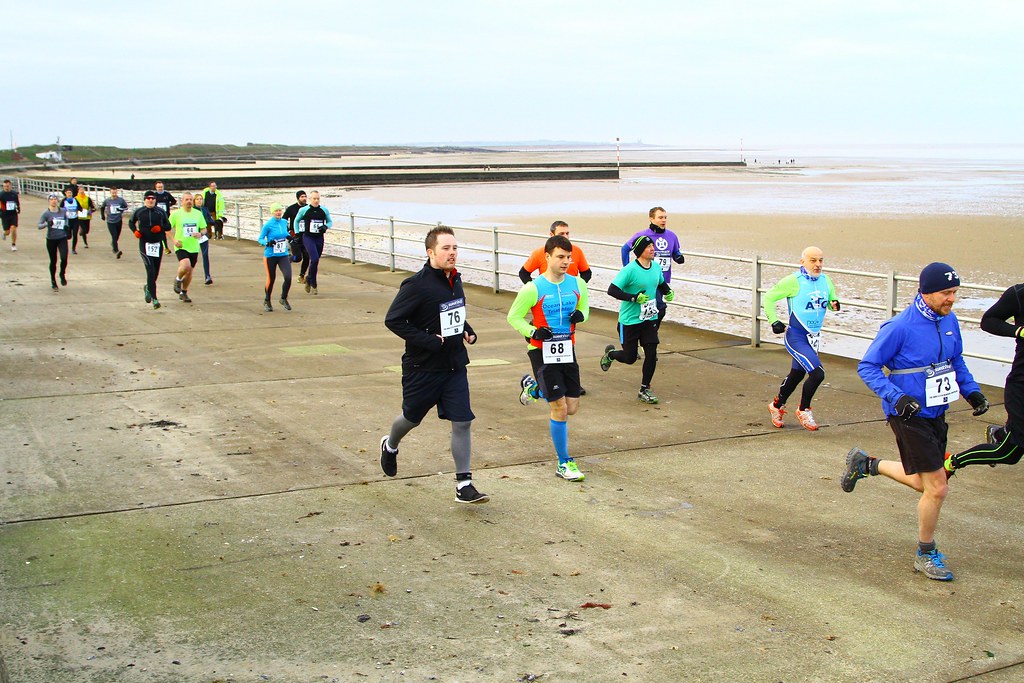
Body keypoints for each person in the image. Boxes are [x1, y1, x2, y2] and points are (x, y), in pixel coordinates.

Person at [842, 262, 989, 581]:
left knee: (928, 484)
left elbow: (956, 360)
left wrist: (972, 391)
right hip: (907, 415)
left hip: (937, 412)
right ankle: (925, 553)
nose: (952, 300)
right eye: (946, 293)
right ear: (926, 291)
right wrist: (897, 397)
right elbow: (867, 367)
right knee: (938, 488)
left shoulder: (949, 321)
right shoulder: (899, 327)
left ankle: (867, 464)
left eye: (955, 293)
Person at [381, 226, 488, 504]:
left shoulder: (456, 280)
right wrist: (428, 340)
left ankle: (464, 484)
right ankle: (390, 445)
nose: (452, 253)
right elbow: (393, 320)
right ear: (430, 252)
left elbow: (452, 312)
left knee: (462, 421)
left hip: (454, 366)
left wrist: (467, 328)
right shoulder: (416, 285)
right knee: (411, 418)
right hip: (423, 368)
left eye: (455, 248)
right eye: (446, 248)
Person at [507, 234, 590, 481]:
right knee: (560, 407)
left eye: (568, 258)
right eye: (560, 257)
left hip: (567, 349)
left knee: (572, 406)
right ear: (547, 257)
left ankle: (534, 390)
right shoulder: (533, 288)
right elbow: (514, 317)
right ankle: (564, 462)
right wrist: (533, 331)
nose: (566, 262)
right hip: (541, 350)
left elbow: (585, 307)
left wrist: (581, 316)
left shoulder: (577, 284)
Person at [944, 283, 1024, 473]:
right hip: (1021, 386)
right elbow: (988, 320)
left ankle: (1000, 433)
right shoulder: (1019, 294)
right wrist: (1018, 331)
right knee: (1009, 453)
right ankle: (950, 463)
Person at [764, 246, 840, 431]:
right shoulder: (793, 281)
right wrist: (774, 321)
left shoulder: (826, 280)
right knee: (817, 373)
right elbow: (769, 298)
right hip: (796, 336)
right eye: (813, 260)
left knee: (797, 374)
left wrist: (834, 304)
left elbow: (831, 300)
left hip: (813, 337)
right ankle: (804, 409)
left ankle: (776, 406)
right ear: (803, 262)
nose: (818, 265)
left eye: (821, 260)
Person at [600, 235, 674, 404]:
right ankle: (611, 354)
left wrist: (668, 292)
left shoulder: (655, 267)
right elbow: (612, 290)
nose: (653, 249)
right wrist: (634, 298)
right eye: (649, 247)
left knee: (651, 353)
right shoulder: (629, 270)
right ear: (640, 251)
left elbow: (661, 283)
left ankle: (644, 389)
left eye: (653, 246)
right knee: (630, 357)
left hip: (649, 319)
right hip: (629, 321)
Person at [620, 207, 684, 323]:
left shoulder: (672, 236)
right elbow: (625, 249)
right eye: (660, 217)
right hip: (644, 278)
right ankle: (648, 332)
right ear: (651, 219)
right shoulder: (642, 235)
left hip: (661, 280)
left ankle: (649, 332)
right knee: (658, 308)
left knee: (655, 309)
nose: (663, 220)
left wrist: (679, 257)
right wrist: (627, 269)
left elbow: (675, 253)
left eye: (665, 217)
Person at [129, 190, 172, 309]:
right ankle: (155, 299)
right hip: (145, 244)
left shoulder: (160, 212)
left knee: (155, 272)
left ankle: (148, 287)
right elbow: (131, 222)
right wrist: (135, 232)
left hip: (157, 244)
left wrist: (160, 227)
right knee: (150, 271)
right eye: (148, 198)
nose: (151, 200)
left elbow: (168, 226)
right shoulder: (139, 212)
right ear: (144, 200)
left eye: (153, 198)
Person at [518, 221, 593, 284]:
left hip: (569, 293)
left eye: (567, 233)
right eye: (561, 234)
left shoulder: (577, 251)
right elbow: (523, 273)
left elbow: (586, 273)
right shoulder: (539, 252)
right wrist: (535, 289)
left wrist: (578, 287)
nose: (566, 236)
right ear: (551, 235)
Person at [168, 192, 209, 304]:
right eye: (187, 199)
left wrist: (200, 234)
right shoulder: (176, 214)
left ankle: (184, 292)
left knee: (190, 272)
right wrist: (174, 241)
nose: (189, 201)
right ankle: (177, 279)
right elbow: (167, 228)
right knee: (185, 265)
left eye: (191, 199)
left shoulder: (197, 214)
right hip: (181, 245)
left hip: (194, 247)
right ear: (182, 201)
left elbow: (204, 229)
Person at [293, 190, 332, 295]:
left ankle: (309, 278)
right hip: (308, 237)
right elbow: (296, 221)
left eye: (318, 199)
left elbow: (330, 221)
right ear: (310, 199)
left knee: (316, 261)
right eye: (314, 198)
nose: (316, 201)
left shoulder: (324, 210)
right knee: (314, 259)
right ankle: (314, 283)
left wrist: (325, 226)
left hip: (319, 238)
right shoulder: (304, 210)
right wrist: (297, 233)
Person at [257, 202, 293, 312]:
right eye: (276, 211)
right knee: (271, 278)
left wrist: (290, 238)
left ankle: (283, 298)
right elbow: (260, 239)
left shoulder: (284, 222)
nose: (278, 212)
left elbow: (285, 234)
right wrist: (267, 243)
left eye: (279, 210)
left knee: (288, 277)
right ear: (272, 212)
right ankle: (267, 300)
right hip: (270, 255)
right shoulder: (268, 225)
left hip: (283, 254)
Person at [37, 193, 70, 290]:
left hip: (62, 238)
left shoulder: (63, 211)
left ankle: (62, 273)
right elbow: (39, 225)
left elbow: (67, 219)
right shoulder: (46, 213)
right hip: (51, 239)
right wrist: (47, 224)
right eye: (51, 199)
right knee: (53, 260)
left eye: (55, 199)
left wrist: (67, 227)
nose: (54, 201)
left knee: (64, 258)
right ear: (49, 201)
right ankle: (53, 280)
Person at [283, 190, 308, 280]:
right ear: (298, 198)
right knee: (298, 258)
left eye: (305, 196)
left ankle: (301, 275)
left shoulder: (308, 208)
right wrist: (288, 233)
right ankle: (289, 258)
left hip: (306, 235)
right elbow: (283, 221)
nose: (304, 198)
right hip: (295, 235)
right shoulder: (291, 208)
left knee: (307, 256)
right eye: (302, 197)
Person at [192, 190, 214, 285]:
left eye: (201, 199)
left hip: (203, 235)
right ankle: (185, 275)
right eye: (197, 199)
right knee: (192, 257)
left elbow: (210, 220)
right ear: (194, 201)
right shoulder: (192, 210)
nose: (199, 201)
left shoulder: (205, 209)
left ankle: (207, 276)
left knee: (205, 255)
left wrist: (218, 221)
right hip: (193, 236)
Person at [100, 188, 128, 258]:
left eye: (115, 193)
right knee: (114, 236)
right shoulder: (107, 201)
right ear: (110, 193)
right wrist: (103, 215)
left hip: (118, 220)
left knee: (117, 236)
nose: (114, 194)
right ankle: (116, 251)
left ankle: (113, 244)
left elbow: (126, 207)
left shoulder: (121, 200)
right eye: (113, 193)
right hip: (110, 221)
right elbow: (102, 207)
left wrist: (121, 209)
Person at [0, 179, 20, 251]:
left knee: (13, 229)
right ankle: (4, 234)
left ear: (10, 186)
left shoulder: (14, 194)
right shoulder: (1, 194)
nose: (6, 187)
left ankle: (13, 244)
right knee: (7, 232)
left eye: (7, 186)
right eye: (5, 186)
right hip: (5, 215)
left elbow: (17, 202)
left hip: (13, 214)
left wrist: (18, 208)